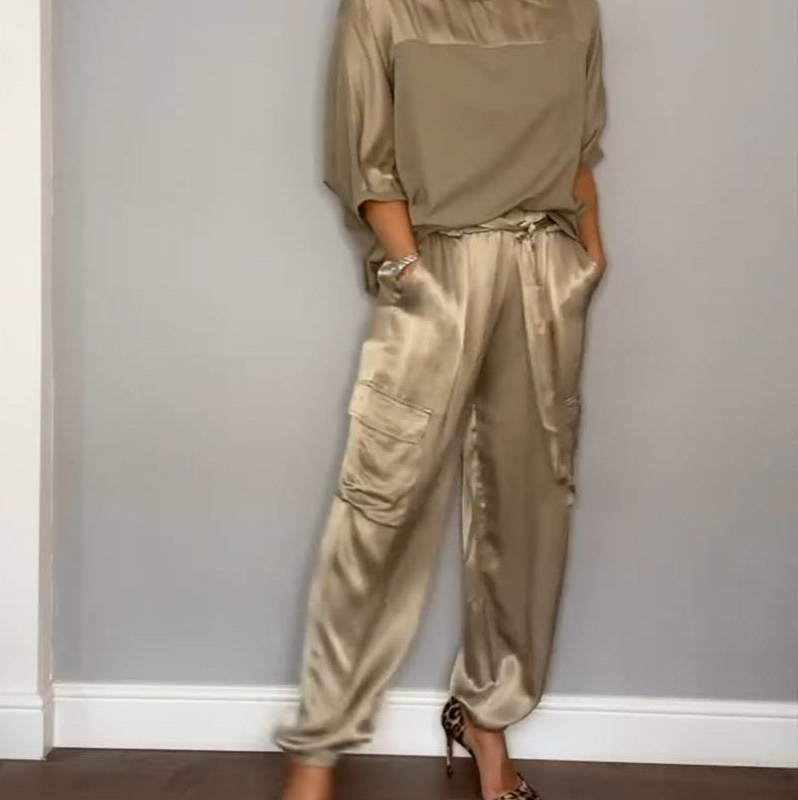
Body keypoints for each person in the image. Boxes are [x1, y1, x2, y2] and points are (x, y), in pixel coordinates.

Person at [274, 0, 608, 798]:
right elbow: (364, 160)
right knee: (381, 504)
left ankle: (489, 718)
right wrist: (414, 271)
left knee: (528, 512)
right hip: (438, 270)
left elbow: (579, 150)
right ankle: (317, 753)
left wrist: (589, 259)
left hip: (542, 269)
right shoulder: (381, 8)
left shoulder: (572, 9)